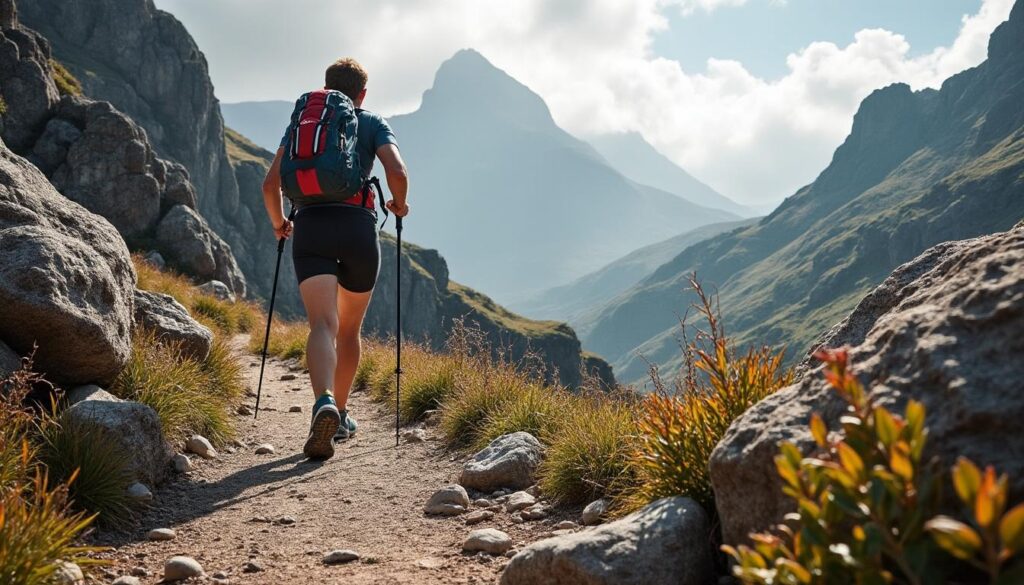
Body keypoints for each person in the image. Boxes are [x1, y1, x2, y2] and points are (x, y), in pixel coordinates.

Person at [261, 57, 409, 459]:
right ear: (362, 94)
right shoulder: (372, 123)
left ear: (325, 88)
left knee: (322, 325)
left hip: (311, 229)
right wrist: (399, 204)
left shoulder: (304, 126)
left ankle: (322, 401)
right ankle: (340, 413)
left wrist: (279, 224)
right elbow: (397, 170)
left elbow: (271, 183)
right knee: (349, 331)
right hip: (359, 230)